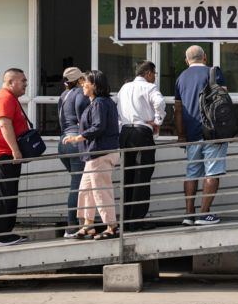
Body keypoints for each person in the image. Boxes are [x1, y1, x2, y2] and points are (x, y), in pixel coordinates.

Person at [63, 70, 120, 240]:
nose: (82, 85)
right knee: (86, 190)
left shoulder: (100, 103)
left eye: (85, 83)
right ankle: (88, 226)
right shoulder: (98, 102)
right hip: (94, 154)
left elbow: (98, 126)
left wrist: (78, 137)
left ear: (94, 85)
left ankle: (112, 227)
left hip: (100, 153)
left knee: (100, 190)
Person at [174, 45, 228, 226]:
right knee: (212, 172)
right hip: (213, 132)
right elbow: (224, 102)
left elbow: (178, 110)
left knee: (192, 173)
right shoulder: (214, 73)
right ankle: (204, 214)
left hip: (191, 135)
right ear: (204, 57)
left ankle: (189, 214)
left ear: (186, 60)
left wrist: (181, 135)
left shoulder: (181, 78)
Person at [0, 68, 30, 247]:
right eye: (22, 80)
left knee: (8, 193)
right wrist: (15, 150)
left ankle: (5, 233)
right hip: (1, 155)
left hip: (5, 154)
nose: (26, 84)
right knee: (1, 194)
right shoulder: (5, 98)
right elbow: (4, 124)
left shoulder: (10, 98)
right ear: (10, 82)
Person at [117, 61, 165, 232]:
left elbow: (117, 108)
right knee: (142, 176)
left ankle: (125, 220)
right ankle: (136, 221)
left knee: (127, 176)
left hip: (125, 133)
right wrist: (157, 121)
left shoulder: (124, 88)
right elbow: (160, 103)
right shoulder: (150, 88)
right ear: (148, 73)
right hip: (141, 132)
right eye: (154, 74)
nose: (155, 77)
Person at [57, 67, 91, 238]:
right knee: (77, 185)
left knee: (78, 183)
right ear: (79, 80)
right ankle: (72, 227)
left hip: (63, 142)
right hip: (75, 142)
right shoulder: (80, 94)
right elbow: (82, 115)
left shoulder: (64, 95)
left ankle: (81, 223)